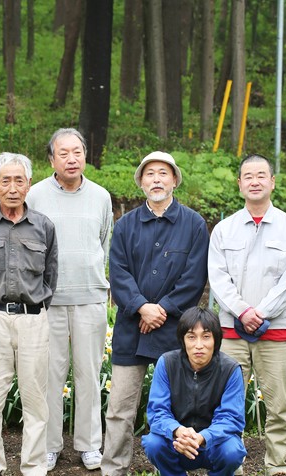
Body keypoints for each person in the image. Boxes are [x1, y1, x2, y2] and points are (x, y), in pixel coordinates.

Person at [101, 151, 209, 476]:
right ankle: (113, 469)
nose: (157, 179)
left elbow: (194, 278)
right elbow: (118, 272)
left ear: (175, 180)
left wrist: (162, 309)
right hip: (131, 329)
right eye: (150, 174)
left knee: (182, 405)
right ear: (141, 182)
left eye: (164, 173)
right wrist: (141, 307)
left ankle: (176, 466)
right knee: (120, 406)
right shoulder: (126, 225)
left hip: (175, 330)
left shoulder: (193, 224)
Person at [208, 154, 286, 476]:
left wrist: (260, 313)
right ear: (239, 184)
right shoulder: (224, 230)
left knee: (277, 404)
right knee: (227, 403)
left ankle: (276, 464)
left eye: (261, 175)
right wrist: (242, 311)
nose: (255, 181)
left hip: (274, 332)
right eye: (248, 176)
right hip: (231, 333)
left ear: (272, 182)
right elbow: (218, 278)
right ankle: (230, 464)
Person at [0, 153, 58, 476]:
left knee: (35, 400)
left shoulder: (44, 226)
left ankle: (33, 467)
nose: (13, 187)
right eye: (6, 180)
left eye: (19, 180)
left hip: (34, 320)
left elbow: (50, 277)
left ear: (29, 184)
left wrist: (35, 307)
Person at [25, 128, 113, 471]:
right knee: (49, 375)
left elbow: (103, 243)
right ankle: (49, 445)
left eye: (77, 152)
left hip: (90, 297)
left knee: (89, 374)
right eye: (64, 153)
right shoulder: (35, 195)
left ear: (86, 155)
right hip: (48, 300)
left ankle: (90, 445)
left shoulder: (101, 197)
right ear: (51, 160)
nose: (72, 159)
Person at [141, 307, 247, 476]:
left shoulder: (230, 369)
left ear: (216, 340)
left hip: (214, 445)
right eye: (191, 337)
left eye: (206, 337)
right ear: (183, 340)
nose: (199, 345)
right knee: (154, 443)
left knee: (232, 451)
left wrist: (203, 437)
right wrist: (178, 431)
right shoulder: (167, 363)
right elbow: (157, 411)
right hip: (178, 443)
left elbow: (231, 418)